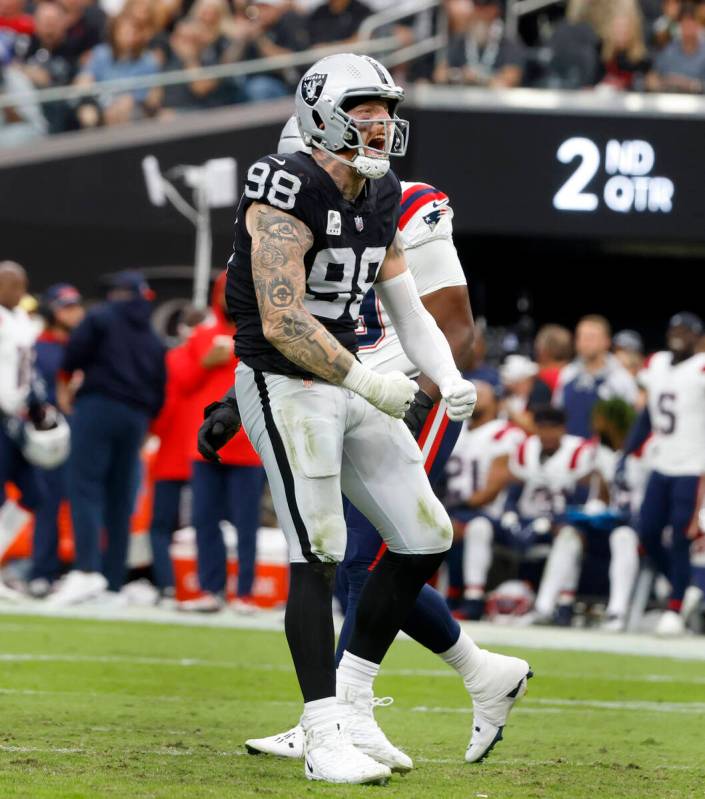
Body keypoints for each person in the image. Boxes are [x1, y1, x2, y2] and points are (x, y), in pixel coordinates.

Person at [220, 53, 526, 785]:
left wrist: (447, 376)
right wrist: (369, 381)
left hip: (350, 380)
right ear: (323, 110)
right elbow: (282, 317)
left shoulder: (383, 190)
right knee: (318, 549)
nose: (381, 123)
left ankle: (353, 704)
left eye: (386, 108)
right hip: (284, 379)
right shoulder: (283, 183)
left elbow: (403, 303)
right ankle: (323, 731)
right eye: (365, 107)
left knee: (424, 535)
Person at [49, 271, 166, 606]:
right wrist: (147, 425)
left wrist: (64, 385)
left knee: (85, 488)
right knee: (120, 499)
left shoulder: (101, 317)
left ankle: (87, 572)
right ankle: (113, 583)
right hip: (136, 418)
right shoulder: (151, 335)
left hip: (99, 406)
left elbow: (74, 353)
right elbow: (161, 384)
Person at [175, 271, 264, 613]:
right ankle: (211, 590)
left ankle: (244, 594)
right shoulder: (202, 336)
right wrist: (205, 361)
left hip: (249, 446)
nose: (232, 298)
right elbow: (181, 383)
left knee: (246, 523)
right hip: (205, 445)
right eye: (227, 292)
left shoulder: (259, 334)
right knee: (203, 519)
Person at [621, 312, 705, 635]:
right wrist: (627, 451)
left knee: (682, 537)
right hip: (660, 463)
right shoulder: (655, 364)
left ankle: (675, 605)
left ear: (697, 336)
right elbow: (648, 415)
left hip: (692, 465)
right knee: (647, 532)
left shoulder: (700, 368)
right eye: (675, 328)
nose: (679, 334)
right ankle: (684, 586)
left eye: (687, 330)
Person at [445, 381, 526, 620]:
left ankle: (473, 598)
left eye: (481, 392)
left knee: (474, 527)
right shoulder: (457, 431)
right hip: (458, 508)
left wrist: (454, 508)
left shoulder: (506, 432)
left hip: (496, 515)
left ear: (497, 401)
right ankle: (446, 594)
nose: (474, 396)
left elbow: (493, 488)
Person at [29, 283, 84, 597]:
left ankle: (82, 571)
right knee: (47, 503)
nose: (74, 312)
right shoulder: (39, 345)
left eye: (75, 305)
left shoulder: (84, 343)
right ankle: (42, 571)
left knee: (83, 505)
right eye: (66, 306)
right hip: (51, 434)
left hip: (82, 429)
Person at [0, 262, 43, 600]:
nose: (20, 292)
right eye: (13, 285)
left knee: (35, 495)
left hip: (15, 418)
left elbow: (27, 367)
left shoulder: (22, 318)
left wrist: (37, 401)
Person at [554, 315, 638, 438]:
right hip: (572, 450)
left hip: (606, 452)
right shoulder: (567, 374)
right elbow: (557, 413)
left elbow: (632, 420)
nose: (585, 342)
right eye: (580, 337)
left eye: (591, 337)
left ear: (606, 341)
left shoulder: (621, 378)